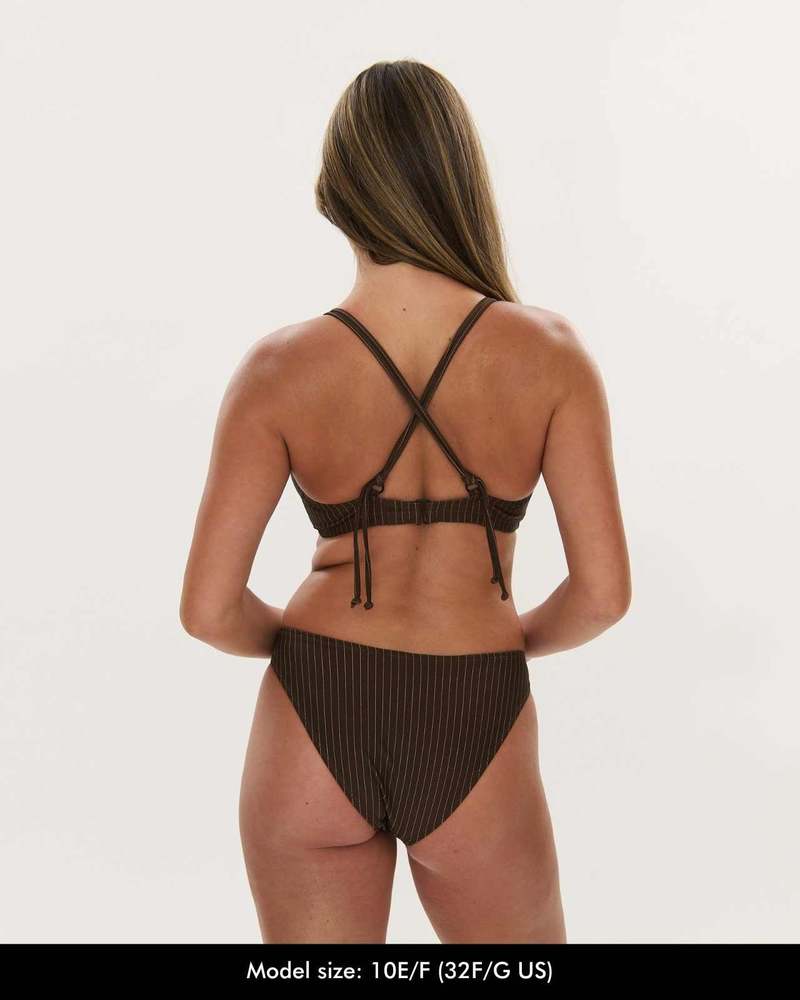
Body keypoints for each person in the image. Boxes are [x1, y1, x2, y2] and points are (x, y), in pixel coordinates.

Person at [180, 59, 631, 944]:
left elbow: (207, 611)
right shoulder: (551, 355)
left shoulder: (278, 368)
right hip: (476, 700)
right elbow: (603, 595)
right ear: (460, 181)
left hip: (314, 705)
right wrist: (502, 639)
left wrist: (305, 649)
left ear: (337, 195)